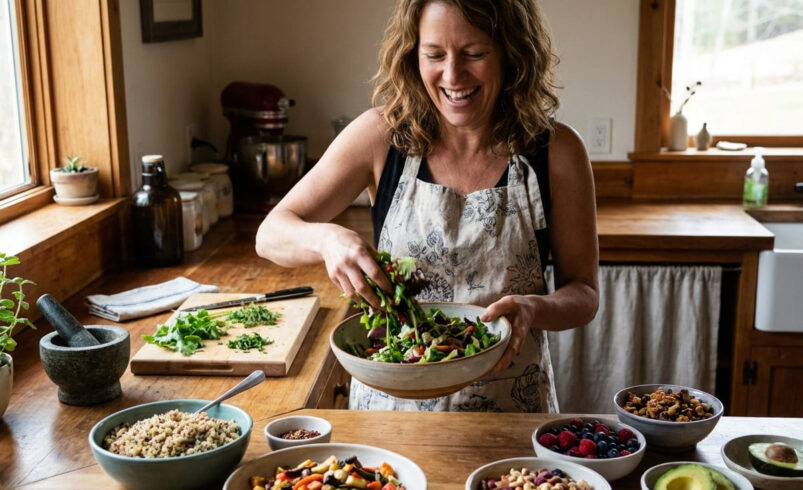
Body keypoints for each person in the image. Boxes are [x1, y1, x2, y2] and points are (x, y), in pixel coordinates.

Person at [256, 0, 599, 412]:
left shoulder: (556, 152)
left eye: (474, 53)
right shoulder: (380, 137)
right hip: (391, 416)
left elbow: (584, 293)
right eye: (434, 55)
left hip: (512, 413)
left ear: (512, 53)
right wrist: (327, 240)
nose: (453, 75)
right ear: (412, 56)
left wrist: (534, 307)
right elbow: (271, 234)